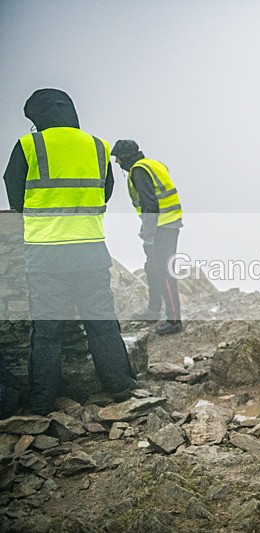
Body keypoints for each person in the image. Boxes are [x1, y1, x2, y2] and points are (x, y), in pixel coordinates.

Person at [2, 88, 137, 415]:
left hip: (46, 255)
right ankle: (120, 386)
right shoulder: (98, 146)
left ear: (38, 116)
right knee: (102, 323)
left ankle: (41, 402)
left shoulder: (28, 145)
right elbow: (104, 192)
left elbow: (15, 195)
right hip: (90, 251)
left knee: (47, 333)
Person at [110, 140, 183, 335]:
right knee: (152, 268)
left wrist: (148, 234)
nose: (116, 162)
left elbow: (151, 205)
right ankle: (153, 309)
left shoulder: (138, 171)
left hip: (162, 227)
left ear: (124, 157)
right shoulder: (153, 164)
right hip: (169, 223)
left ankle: (174, 321)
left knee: (164, 270)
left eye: (117, 157)